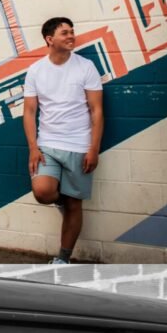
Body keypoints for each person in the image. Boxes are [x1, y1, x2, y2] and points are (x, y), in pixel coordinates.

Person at [22, 16, 105, 264]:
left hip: (79, 146)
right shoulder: (36, 70)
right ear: (49, 39)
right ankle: (64, 199)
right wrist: (33, 148)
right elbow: (29, 112)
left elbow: (97, 111)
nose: (71, 36)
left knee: (74, 205)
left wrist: (94, 149)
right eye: (64, 33)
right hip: (48, 144)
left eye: (72, 32)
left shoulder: (86, 66)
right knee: (43, 192)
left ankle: (63, 258)